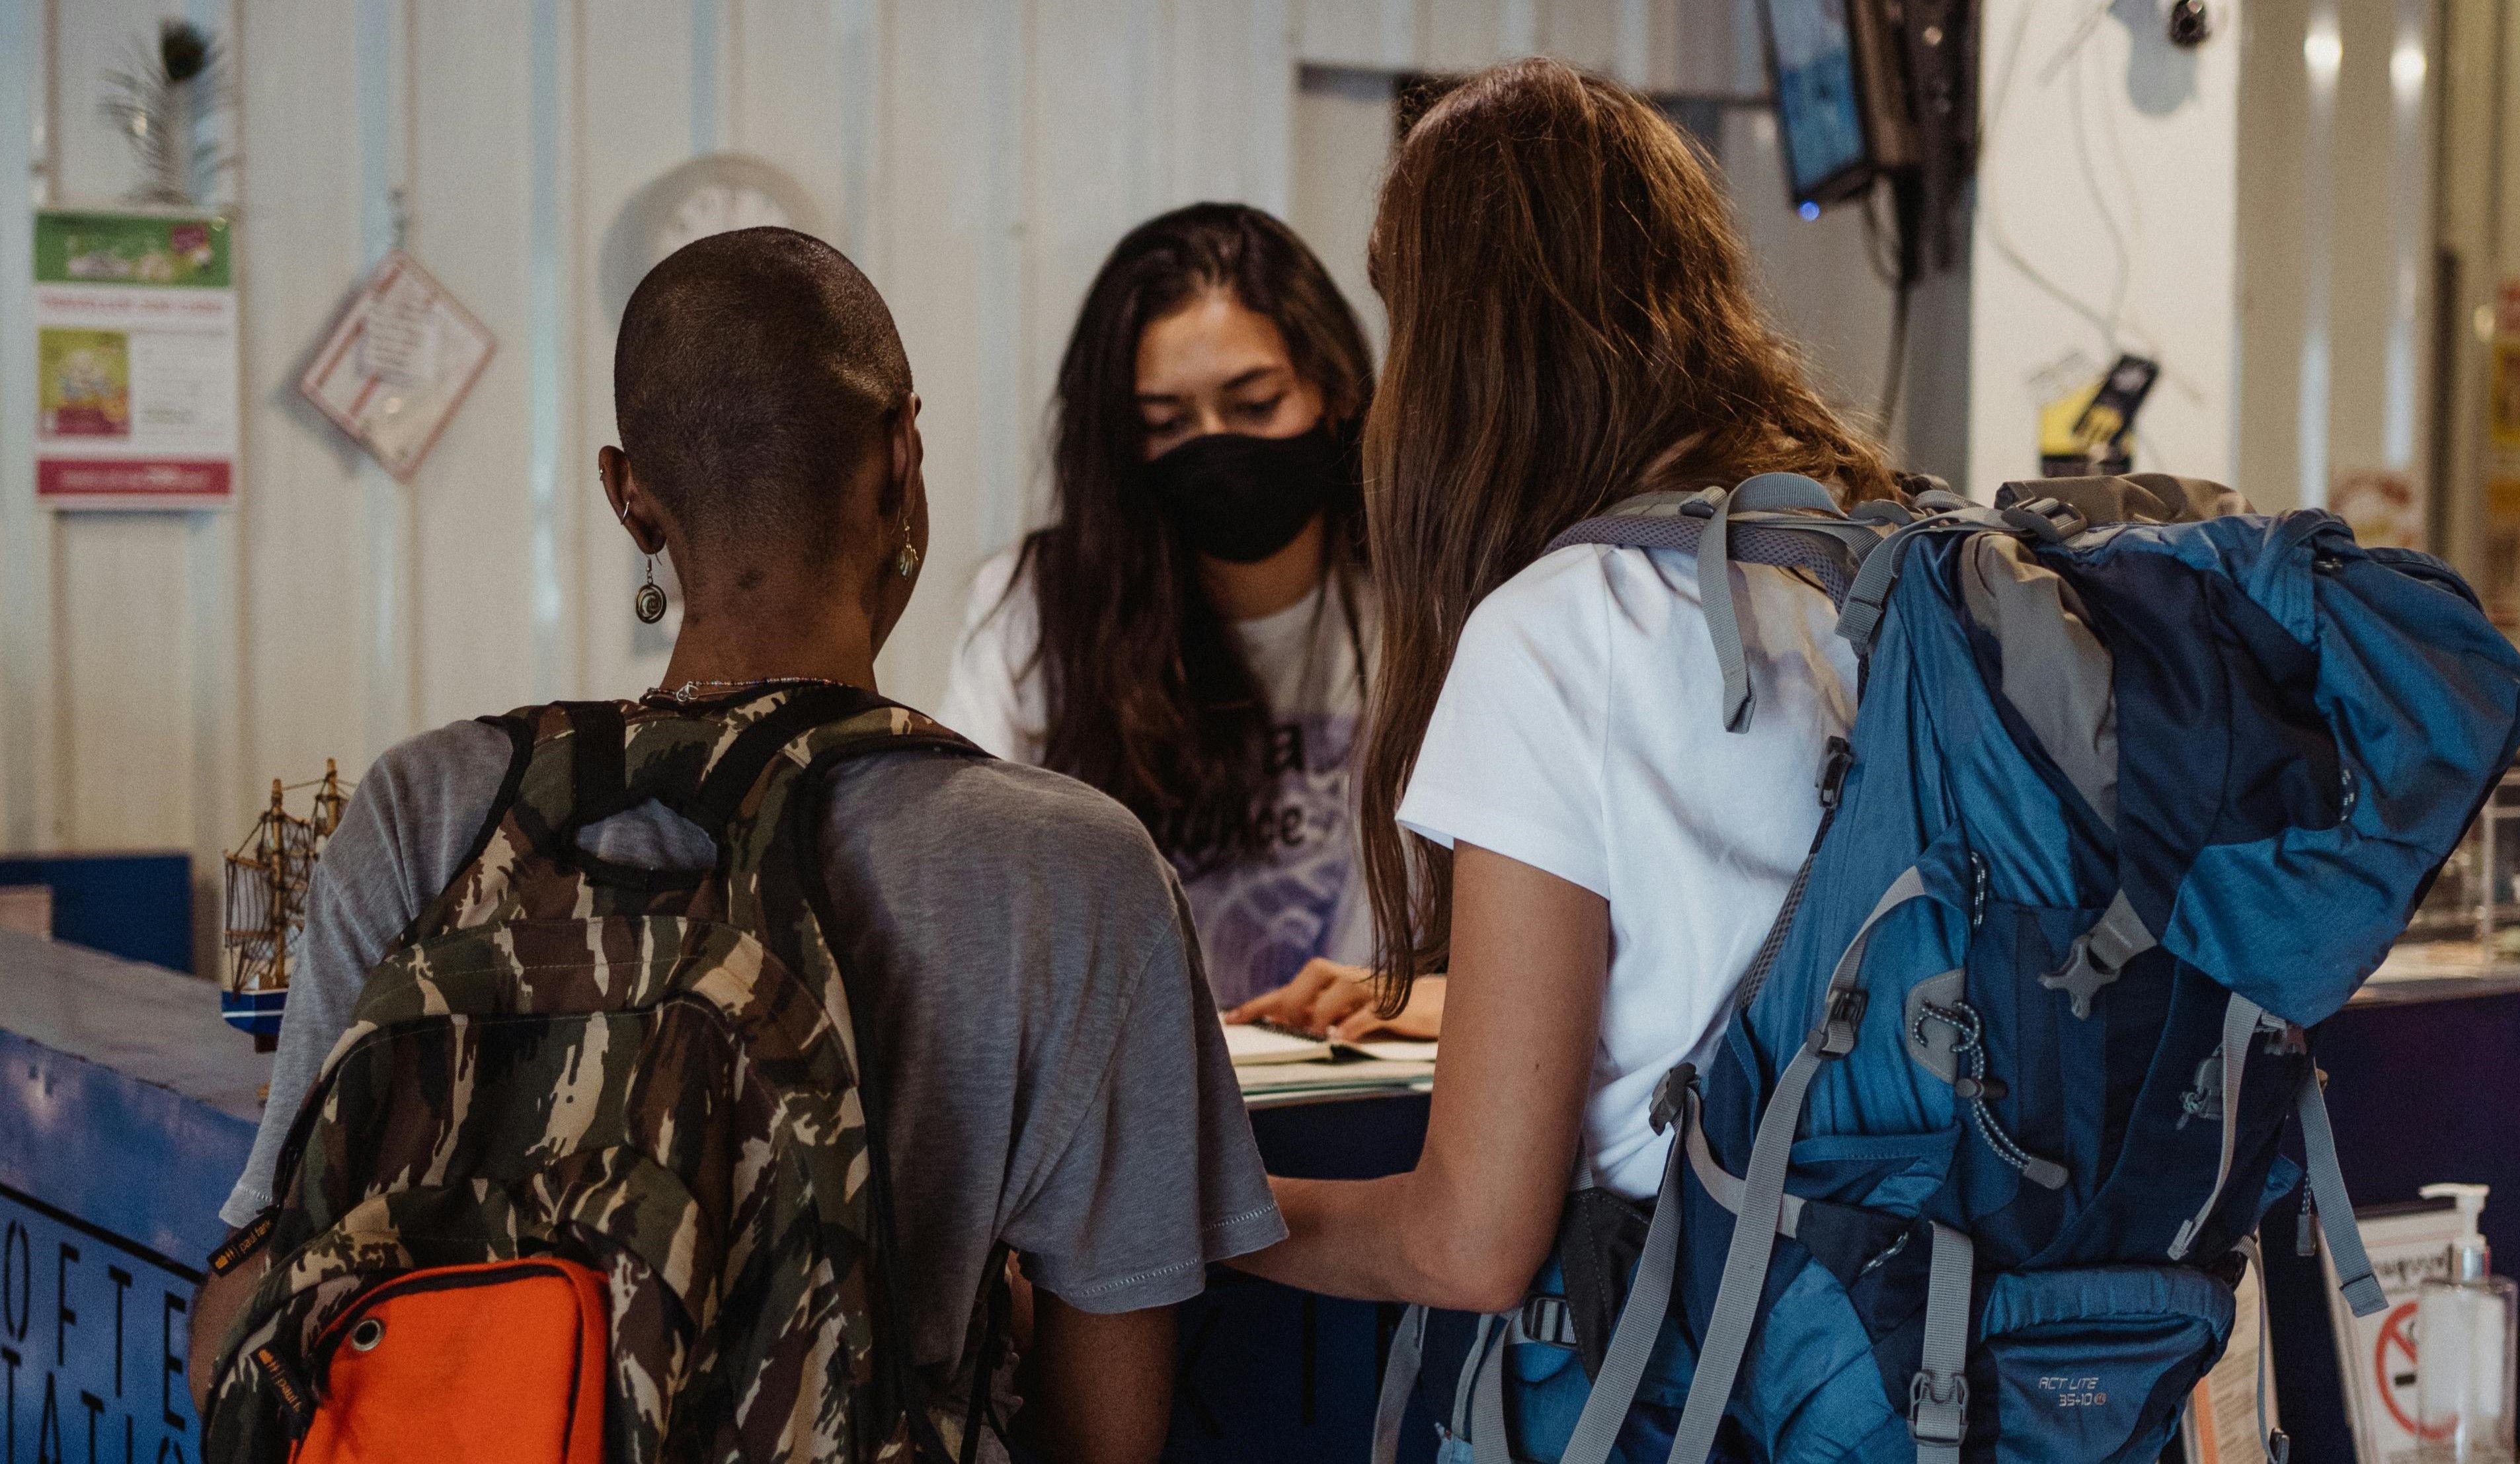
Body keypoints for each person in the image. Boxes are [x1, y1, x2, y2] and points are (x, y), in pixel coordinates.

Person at [190, 227, 1283, 1464]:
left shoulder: (429, 809)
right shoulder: (1072, 872)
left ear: (627, 492)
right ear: (901, 454)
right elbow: (1108, 1431)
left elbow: (246, 1324)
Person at [1227, 60, 1899, 1459]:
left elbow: (1470, 1241)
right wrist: (1457, 1005)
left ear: (1465, 347)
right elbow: (1750, 965)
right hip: (1919, 1363)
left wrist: (1201, 1216)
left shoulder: (1561, 627)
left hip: (1702, 1390)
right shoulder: (1878, 563)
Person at [938, 203, 1404, 1023]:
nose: (1216, 445)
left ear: (1332, 387)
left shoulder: (1418, 607)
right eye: (1167, 424)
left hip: (1362, 1093)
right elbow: (968, 890)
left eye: (1255, 404)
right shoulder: (1038, 608)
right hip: (1131, 1108)